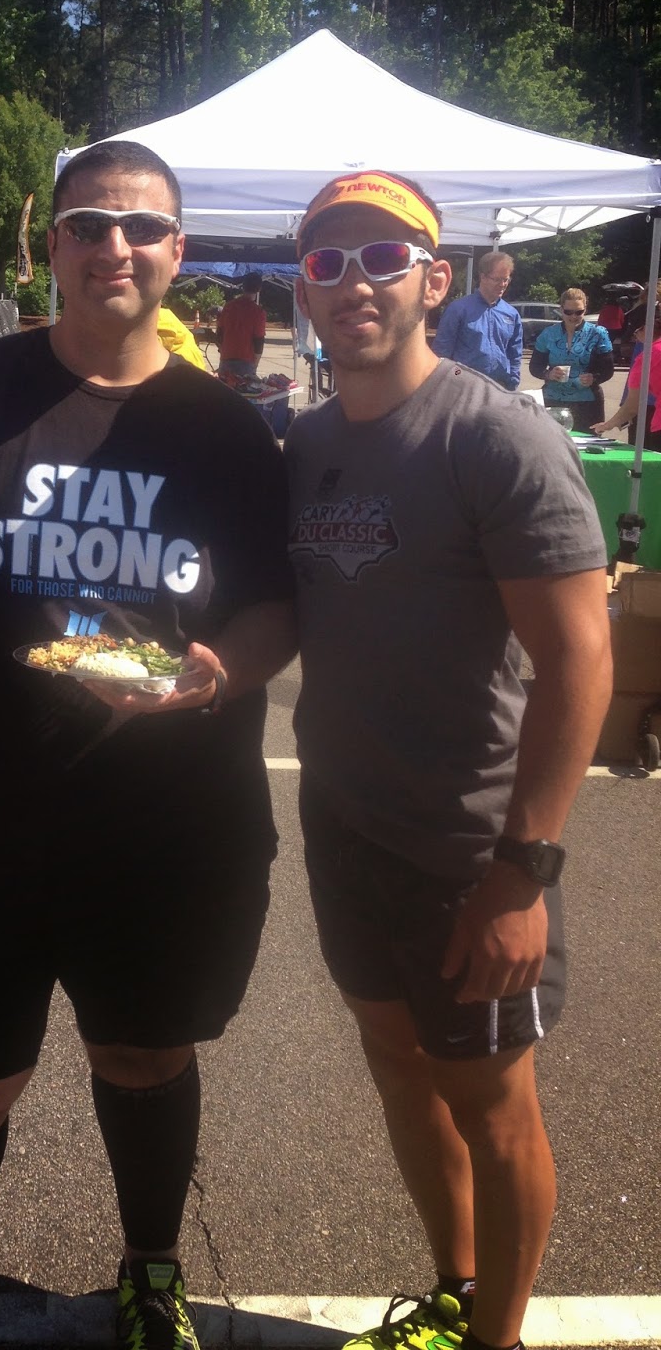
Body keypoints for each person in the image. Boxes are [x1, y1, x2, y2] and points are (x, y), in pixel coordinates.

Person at [0, 139, 296, 1350]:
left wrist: (215, 672)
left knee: (145, 1057)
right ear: (53, 243)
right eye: (89, 224)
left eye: (141, 227)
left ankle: (152, 1275)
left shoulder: (226, 430)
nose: (115, 247)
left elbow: (274, 607)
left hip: (166, 826)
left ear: (178, 252)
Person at [286, 171, 611, 1350]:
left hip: (470, 846)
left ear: (435, 280)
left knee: (493, 1101)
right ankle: (455, 1293)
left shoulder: (495, 436)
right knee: (397, 1061)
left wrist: (525, 871)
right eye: (327, 262)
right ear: (304, 292)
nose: (354, 282)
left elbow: (581, 663)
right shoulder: (308, 440)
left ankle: (497, 1339)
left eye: (384, 258)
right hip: (346, 825)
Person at [432, 251, 522, 389]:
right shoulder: (458, 309)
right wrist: (454, 379)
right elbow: (442, 352)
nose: (502, 284)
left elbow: (515, 353)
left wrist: (513, 381)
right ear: (483, 277)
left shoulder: (511, 314)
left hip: (499, 388)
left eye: (506, 279)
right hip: (464, 387)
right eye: (497, 279)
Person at [528, 288, 613, 431]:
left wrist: (594, 378)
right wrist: (548, 374)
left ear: (585, 310)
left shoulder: (598, 333)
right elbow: (535, 366)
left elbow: (608, 369)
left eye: (579, 312)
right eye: (568, 312)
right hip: (553, 400)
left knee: (585, 444)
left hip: (587, 403)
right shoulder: (548, 334)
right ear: (561, 310)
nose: (573, 316)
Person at [592, 301, 661, 451]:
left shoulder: (648, 357)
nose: (635, 338)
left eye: (635, 333)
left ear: (645, 328)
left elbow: (632, 406)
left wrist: (608, 425)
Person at [215, 273, 267, 378]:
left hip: (226, 358)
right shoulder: (258, 312)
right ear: (259, 289)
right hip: (246, 361)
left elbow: (219, 334)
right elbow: (259, 342)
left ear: (243, 286)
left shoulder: (228, 307)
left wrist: (223, 350)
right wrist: (255, 365)